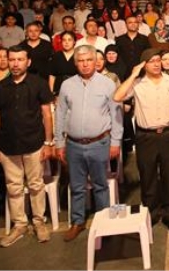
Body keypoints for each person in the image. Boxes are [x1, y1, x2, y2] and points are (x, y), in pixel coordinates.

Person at [114, 48, 169, 233]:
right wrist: (133, 74)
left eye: (158, 60)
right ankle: (152, 213)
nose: (156, 63)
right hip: (146, 136)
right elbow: (117, 96)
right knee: (148, 176)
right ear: (143, 65)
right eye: (151, 61)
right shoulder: (137, 84)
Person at [0, 45, 55, 247]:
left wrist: (48, 142)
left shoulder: (38, 84)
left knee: (35, 184)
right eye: (12, 59)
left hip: (34, 142)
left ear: (28, 62)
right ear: (7, 61)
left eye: (20, 59)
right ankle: (19, 225)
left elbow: (47, 114)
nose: (15, 64)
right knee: (13, 187)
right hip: (7, 145)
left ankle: (39, 223)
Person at [55, 45, 123, 242]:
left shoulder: (107, 84)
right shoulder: (67, 85)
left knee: (101, 185)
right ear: (76, 63)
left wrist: (116, 142)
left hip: (100, 143)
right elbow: (60, 114)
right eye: (81, 61)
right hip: (74, 145)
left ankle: (103, 222)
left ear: (96, 61)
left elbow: (116, 114)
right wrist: (59, 142)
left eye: (89, 60)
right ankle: (78, 221)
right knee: (77, 186)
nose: (85, 64)